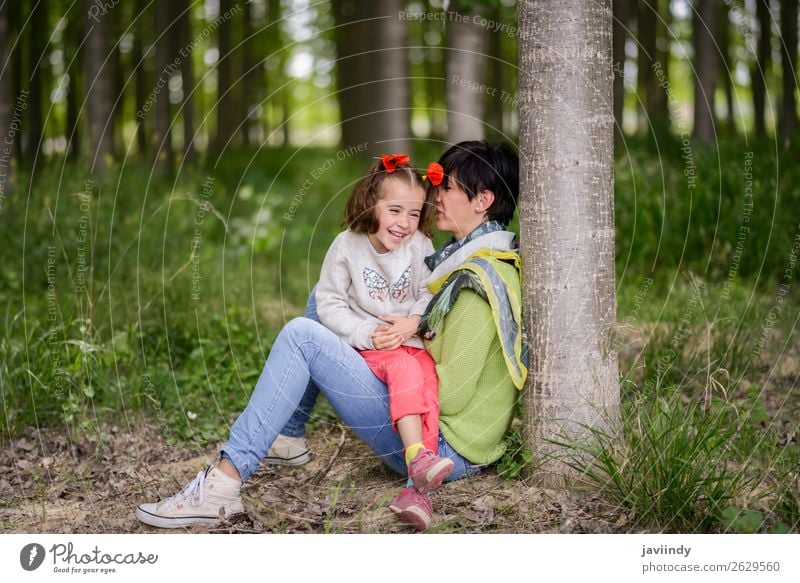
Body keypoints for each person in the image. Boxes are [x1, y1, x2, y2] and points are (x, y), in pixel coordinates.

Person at [135, 141, 526, 531]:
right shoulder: (467, 259)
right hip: (431, 418)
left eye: (449, 186)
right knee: (325, 300)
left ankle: (222, 486)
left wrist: (402, 337)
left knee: (303, 336)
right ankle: (288, 438)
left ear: (483, 200)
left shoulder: (478, 283)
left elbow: (451, 397)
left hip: (440, 446)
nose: (436, 196)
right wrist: (381, 334)